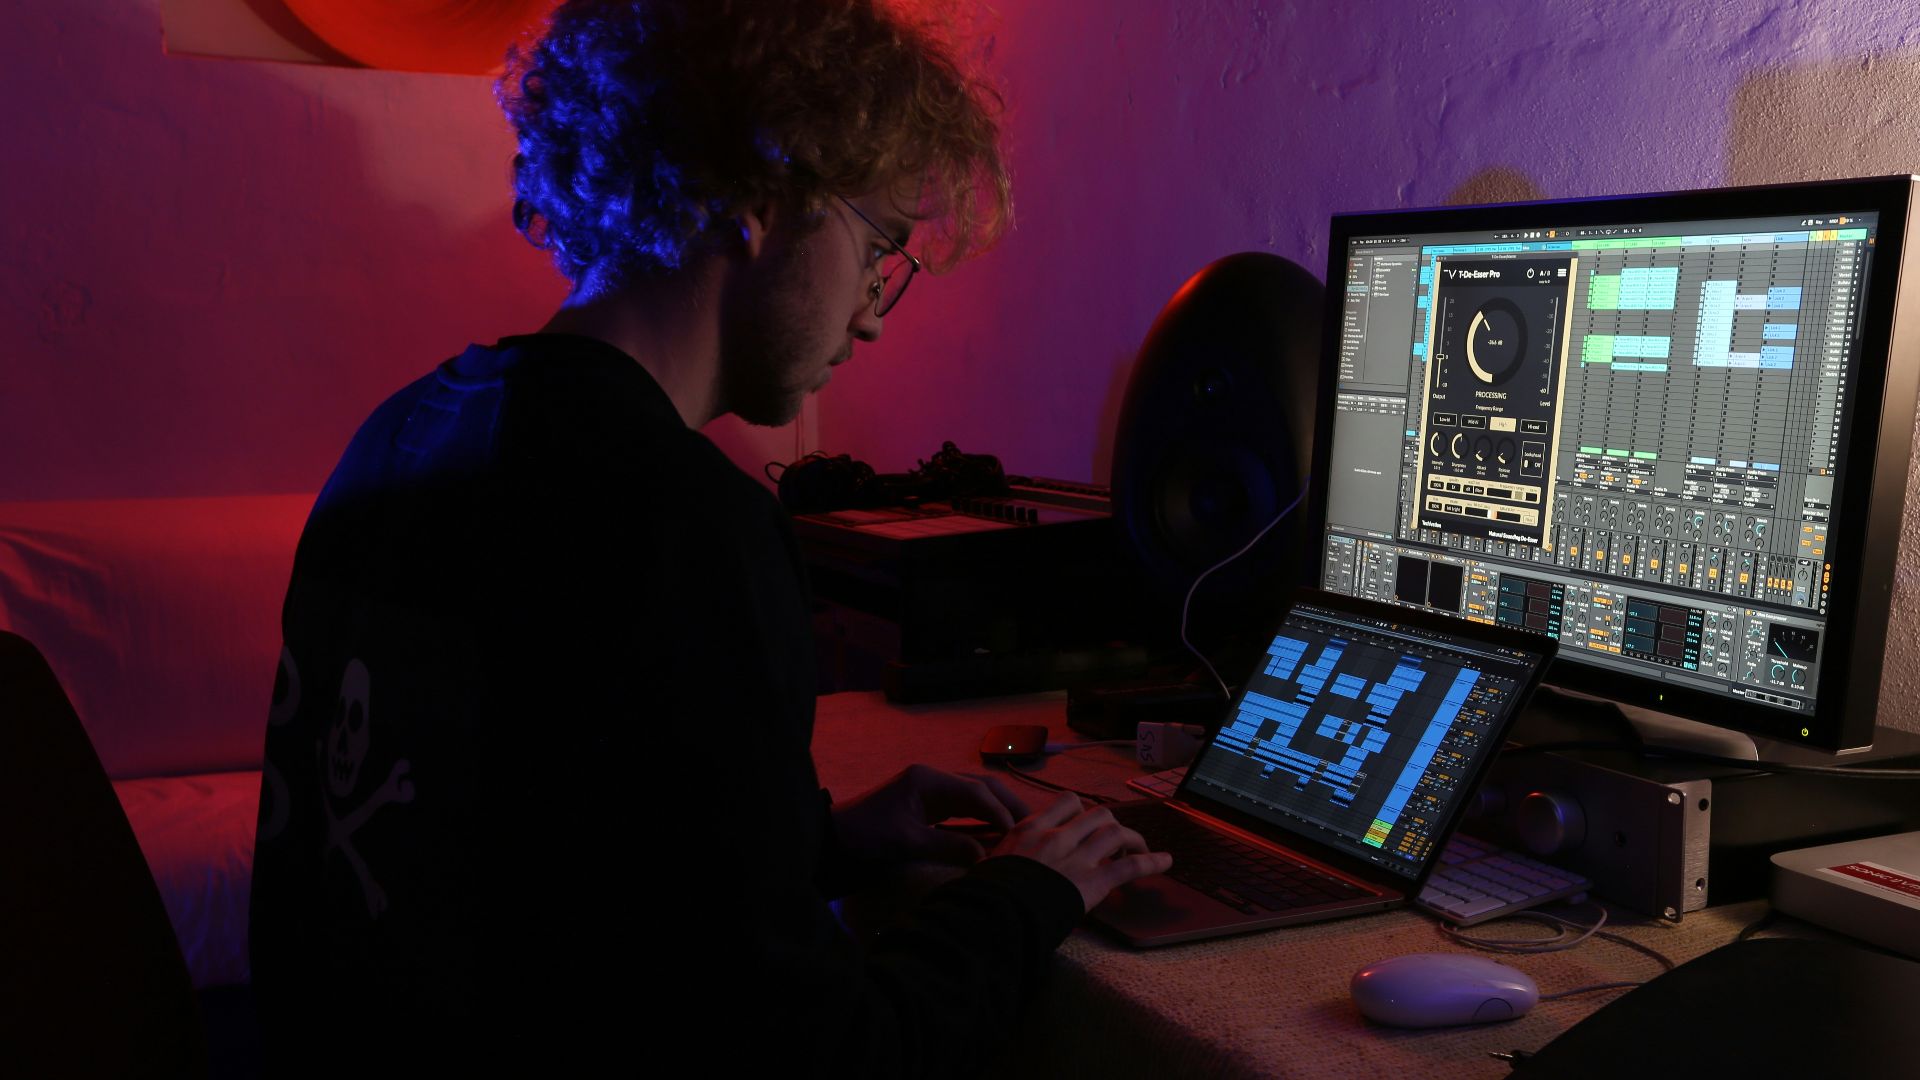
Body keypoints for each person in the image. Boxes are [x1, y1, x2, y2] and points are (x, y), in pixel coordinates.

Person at [248, 1, 1171, 1074]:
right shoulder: (683, 522)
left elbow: (520, 843)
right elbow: (826, 1055)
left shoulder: (399, 438)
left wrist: (817, 840)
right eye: (878, 247)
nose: (873, 316)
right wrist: (1030, 890)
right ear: (763, 197)